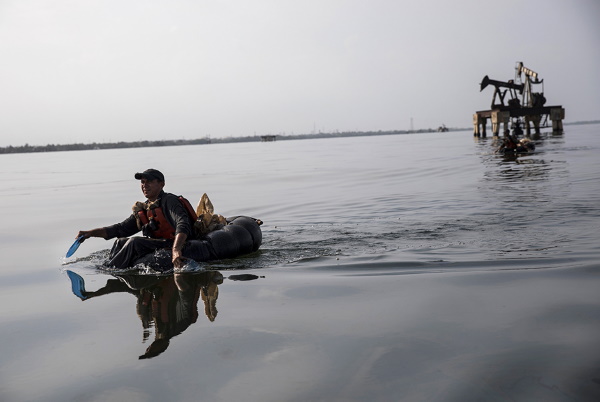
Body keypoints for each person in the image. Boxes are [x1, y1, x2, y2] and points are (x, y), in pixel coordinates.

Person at [76, 169, 197, 269]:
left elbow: (183, 223)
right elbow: (120, 229)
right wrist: (90, 233)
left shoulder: (169, 201)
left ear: (161, 184)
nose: (145, 185)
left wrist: (176, 250)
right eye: (143, 182)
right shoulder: (145, 208)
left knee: (134, 242)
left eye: (149, 181)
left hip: (180, 244)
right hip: (161, 244)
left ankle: (110, 269)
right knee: (120, 242)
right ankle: (109, 267)